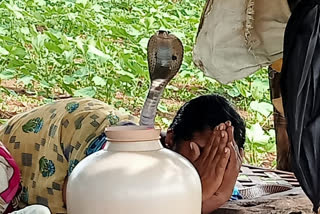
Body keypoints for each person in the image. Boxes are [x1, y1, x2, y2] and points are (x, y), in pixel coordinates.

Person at [0, 94, 245, 214]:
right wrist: (195, 196)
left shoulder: (220, 175)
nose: (210, 163)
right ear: (170, 139)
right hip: (23, 143)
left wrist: (219, 192)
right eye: (203, 151)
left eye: (222, 156)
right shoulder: (121, 157)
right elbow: (82, 198)